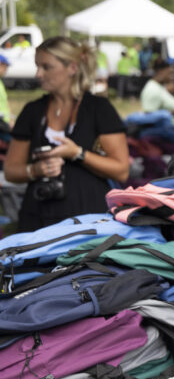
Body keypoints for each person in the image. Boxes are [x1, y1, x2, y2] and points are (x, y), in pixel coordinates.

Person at [3, 36, 130, 232]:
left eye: (47, 67)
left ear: (72, 68)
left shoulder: (99, 109)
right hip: (38, 219)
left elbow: (121, 170)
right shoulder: (33, 111)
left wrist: (77, 153)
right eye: (37, 66)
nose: (38, 74)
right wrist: (36, 170)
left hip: (89, 221)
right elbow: (11, 171)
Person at [0, 54, 11, 126]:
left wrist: (11, 119)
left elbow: (6, 101)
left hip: (5, 121)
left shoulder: (0, 82)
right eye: (5, 66)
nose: (6, 69)